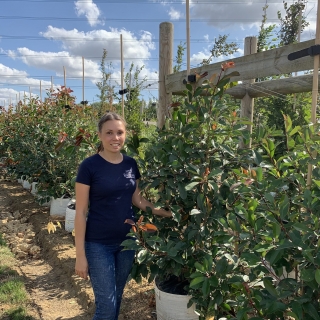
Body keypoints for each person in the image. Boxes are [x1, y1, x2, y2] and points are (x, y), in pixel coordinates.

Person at [74, 112, 171, 320]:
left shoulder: (130, 164)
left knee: (116, 297)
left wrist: (164, 212)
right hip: (98, 244)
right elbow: (81, 212)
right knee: (106, 307)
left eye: (119, 132)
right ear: (100, 135)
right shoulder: (89, 167)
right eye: (109, 133)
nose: (115, 138)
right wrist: (80, 255)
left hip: (127, 243)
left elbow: (138, 200)